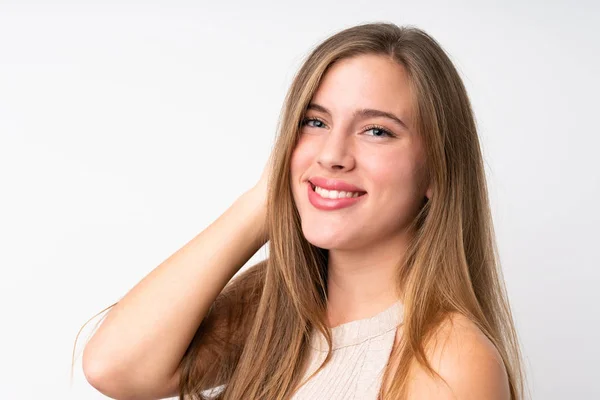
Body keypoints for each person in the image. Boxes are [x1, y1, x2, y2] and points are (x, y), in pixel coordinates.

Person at [75, 22, 525, 399]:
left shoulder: (449, 359)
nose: (332, 154)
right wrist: (264, 200)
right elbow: (114, 366)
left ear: (436, 172)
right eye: (315, 122)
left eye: (376, 131)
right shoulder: (274, 312)